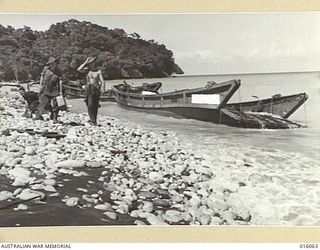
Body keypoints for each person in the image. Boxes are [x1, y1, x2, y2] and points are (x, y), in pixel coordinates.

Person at [77, 57, 105, 126]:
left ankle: (94, 120)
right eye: (90, 63)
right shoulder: (87, 71)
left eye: (93, 62)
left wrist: (103, 88)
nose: (92, 64)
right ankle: (92, 119)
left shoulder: (98, 71)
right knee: (89, 104)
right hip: (89, 88)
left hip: (96, 88)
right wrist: (85, 62)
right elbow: (79, 69)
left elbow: (102, 80)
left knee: (95, 105)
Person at [35, 56, 63, 123]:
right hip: (46, 88)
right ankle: (39, 115)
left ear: (56, 63)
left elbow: (60, 81)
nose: (52, 64)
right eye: (51, 63)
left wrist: (61, 91)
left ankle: (54, 118)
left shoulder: (58, 71)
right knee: (44, 102)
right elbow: (42, 76)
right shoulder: (45, 69)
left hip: (54, 89)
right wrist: (40, 85)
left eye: (53, 63)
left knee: (56, 104)